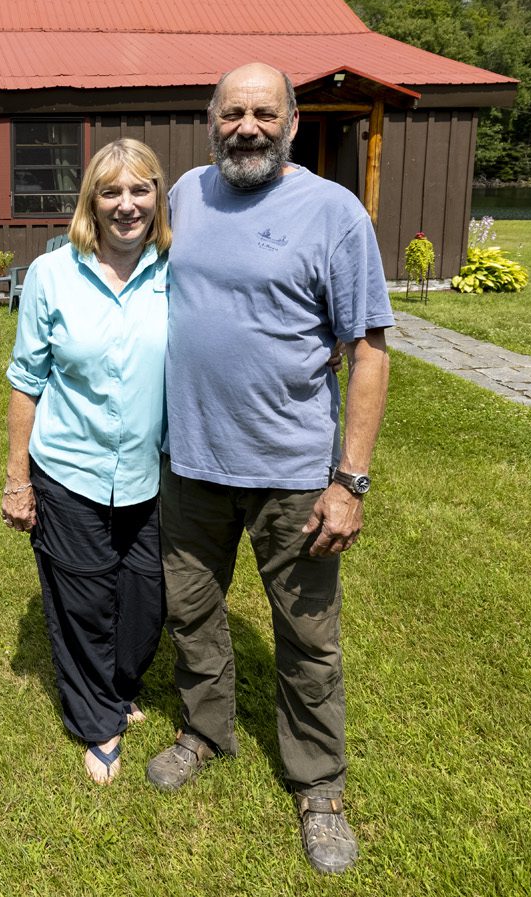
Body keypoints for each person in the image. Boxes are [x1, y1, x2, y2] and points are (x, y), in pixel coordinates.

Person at [146, 62, 392, 876]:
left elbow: (368, 351)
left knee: (308, 637)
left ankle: (319, 785)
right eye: (231, 112)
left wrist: (348, 479)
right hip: (192, 460)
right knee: (191, 609)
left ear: (291, 120)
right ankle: (205, 730)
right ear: (209, 118)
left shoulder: (334, 212)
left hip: (292, 471)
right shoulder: (184, 194)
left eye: (263, 112)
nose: (246, 126)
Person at [3, 138, 173, 785]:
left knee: (145, 600)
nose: (126, 204)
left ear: (157, 197)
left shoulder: (173, 270)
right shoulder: (53, 274)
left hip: (147, 477)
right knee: (83, 601)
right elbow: (26, 380)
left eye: (140, 189)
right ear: (91, 202)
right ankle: (97, 719)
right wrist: (18, 479)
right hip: (68, 471)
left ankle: (118, 681)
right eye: (111, 191)